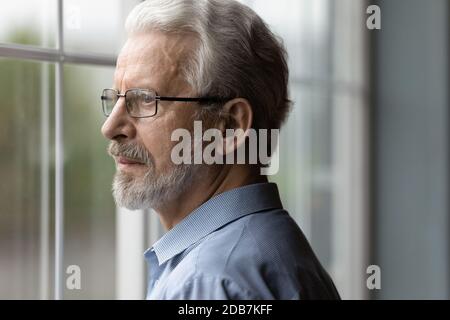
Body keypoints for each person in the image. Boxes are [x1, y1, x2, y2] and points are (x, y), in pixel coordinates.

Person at [101, 0, 340, 300]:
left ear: (228, 126)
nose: (110, 127)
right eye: (116, 99)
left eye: (146, 100)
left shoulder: (207, 283)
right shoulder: (276, 249)